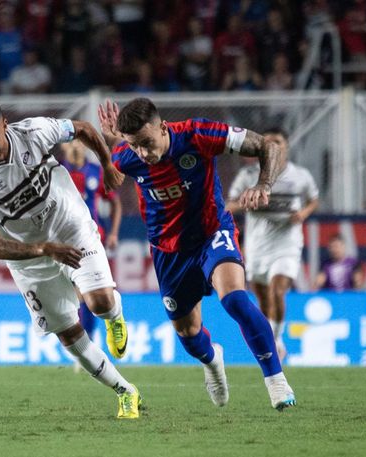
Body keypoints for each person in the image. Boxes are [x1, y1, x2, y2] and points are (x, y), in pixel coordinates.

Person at [98, 97, 296, 411]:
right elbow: (123, 147)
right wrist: (116, 139)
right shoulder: (126, 156)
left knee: (234, 299)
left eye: (148, 143)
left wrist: (264, 184)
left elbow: (267, 146)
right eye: (136, 146)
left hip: (212, 232)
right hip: (168, 250)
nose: (144, 154)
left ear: (164, 128)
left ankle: (276, 381)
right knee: (189, 334)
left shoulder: (198, 134)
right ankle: (213, 360)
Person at [0, 94, 140, 419]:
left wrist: (108, 162)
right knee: (68, 332)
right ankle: (125, 391)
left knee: (99, 303)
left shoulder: (32, 132)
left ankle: (115, 318)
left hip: (69, 226)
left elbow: (81, 128)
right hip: (28, 257)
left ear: (4, 125)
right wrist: (43, 249)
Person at [226, 127, 319, 361]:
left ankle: (275, 342)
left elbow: (313, 199)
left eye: (278, 141)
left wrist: (304, 213)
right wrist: (247, 202)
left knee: (278, 290)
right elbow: (228, 205)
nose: (273, 146)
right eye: (268, 142)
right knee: (264, 299)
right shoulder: (248, 175)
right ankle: (272, 340)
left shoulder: (300, 175)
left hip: (287, 242)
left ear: (286, 146)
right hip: (258, 244)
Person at [60, 139, 122, 352]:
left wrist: (113, 233)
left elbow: (115, 202)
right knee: (79, 295)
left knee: (85, 291)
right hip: (63, 239)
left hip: (92, 238)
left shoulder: (96, 171)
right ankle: (86, 343)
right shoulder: (57, 172)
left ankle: (87, 345)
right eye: (70, 142)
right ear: (63, 147)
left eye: (79, 141)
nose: (76, 145)